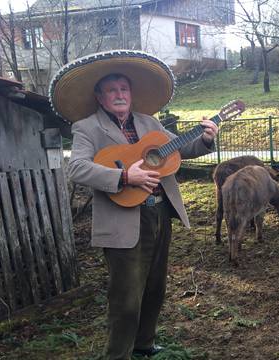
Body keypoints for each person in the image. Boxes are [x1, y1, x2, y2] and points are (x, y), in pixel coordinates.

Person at [49, 50, 218, 359]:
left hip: (159, 214)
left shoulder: (148, 123)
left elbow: (180, 149)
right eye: (111, 90)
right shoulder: (87, 128)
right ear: (100, 96)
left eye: (124, 89)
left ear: (131, 93)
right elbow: (77, 169)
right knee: (125, 298)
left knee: (155, 288)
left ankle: (144, 344)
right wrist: (125, 176)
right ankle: (118, 354)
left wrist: (205, 138)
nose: (119, 95)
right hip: (121, 220)